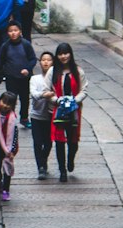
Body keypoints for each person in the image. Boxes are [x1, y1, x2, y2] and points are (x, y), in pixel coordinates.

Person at [50, 41, 88, 182]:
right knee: (59, 140)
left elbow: (84, 89)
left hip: (74, 110)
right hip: (59, 110)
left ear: (70, 54)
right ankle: (62, 171)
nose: (63, 56)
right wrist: (57, 100)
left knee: (73, 140)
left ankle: (70, 159)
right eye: (60, 54)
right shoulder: (53, 71)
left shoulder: (78, 71)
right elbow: (47, 90)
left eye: (66, 53)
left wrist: (75, 100)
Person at [0, 19, 36, 128]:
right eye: (10, 31)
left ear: (20, 31)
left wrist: (27, 69)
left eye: (15, 30)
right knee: (11, 99)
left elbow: (33, 59)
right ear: (7, 33)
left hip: (24, 78)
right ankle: (10, 118)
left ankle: (24, 118)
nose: (13, 33)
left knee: (25, 98)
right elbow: (0, 60)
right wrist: (3, 72)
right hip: (11, 77)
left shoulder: (26, 44)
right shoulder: (5, 46)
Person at [28, 49, 55, 178]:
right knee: (38, 142)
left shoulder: (56, 78)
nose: (46, 62)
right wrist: (45, 94)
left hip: (51, 115)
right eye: (43, 60)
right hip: (36, 115)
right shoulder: (34, 78)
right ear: (40, 62)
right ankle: (41, 167)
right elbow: (34, 94)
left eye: (48, 60)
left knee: (48, 142)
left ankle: (43, 162)